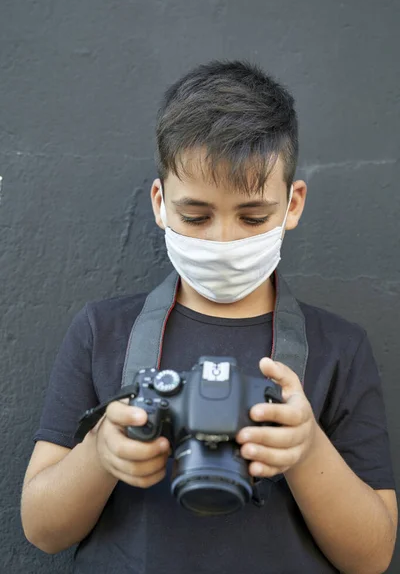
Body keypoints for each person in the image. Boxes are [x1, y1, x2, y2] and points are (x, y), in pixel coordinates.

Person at [21, 60, 397, 574]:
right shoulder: (102, 331)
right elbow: (42, 530)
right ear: (160, 203)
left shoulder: (339, 348)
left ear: (293, 204)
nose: (223, 241)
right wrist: (101, 454)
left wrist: (306, 449)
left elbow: (373, 558)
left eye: (253, 216)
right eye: (195, 216)